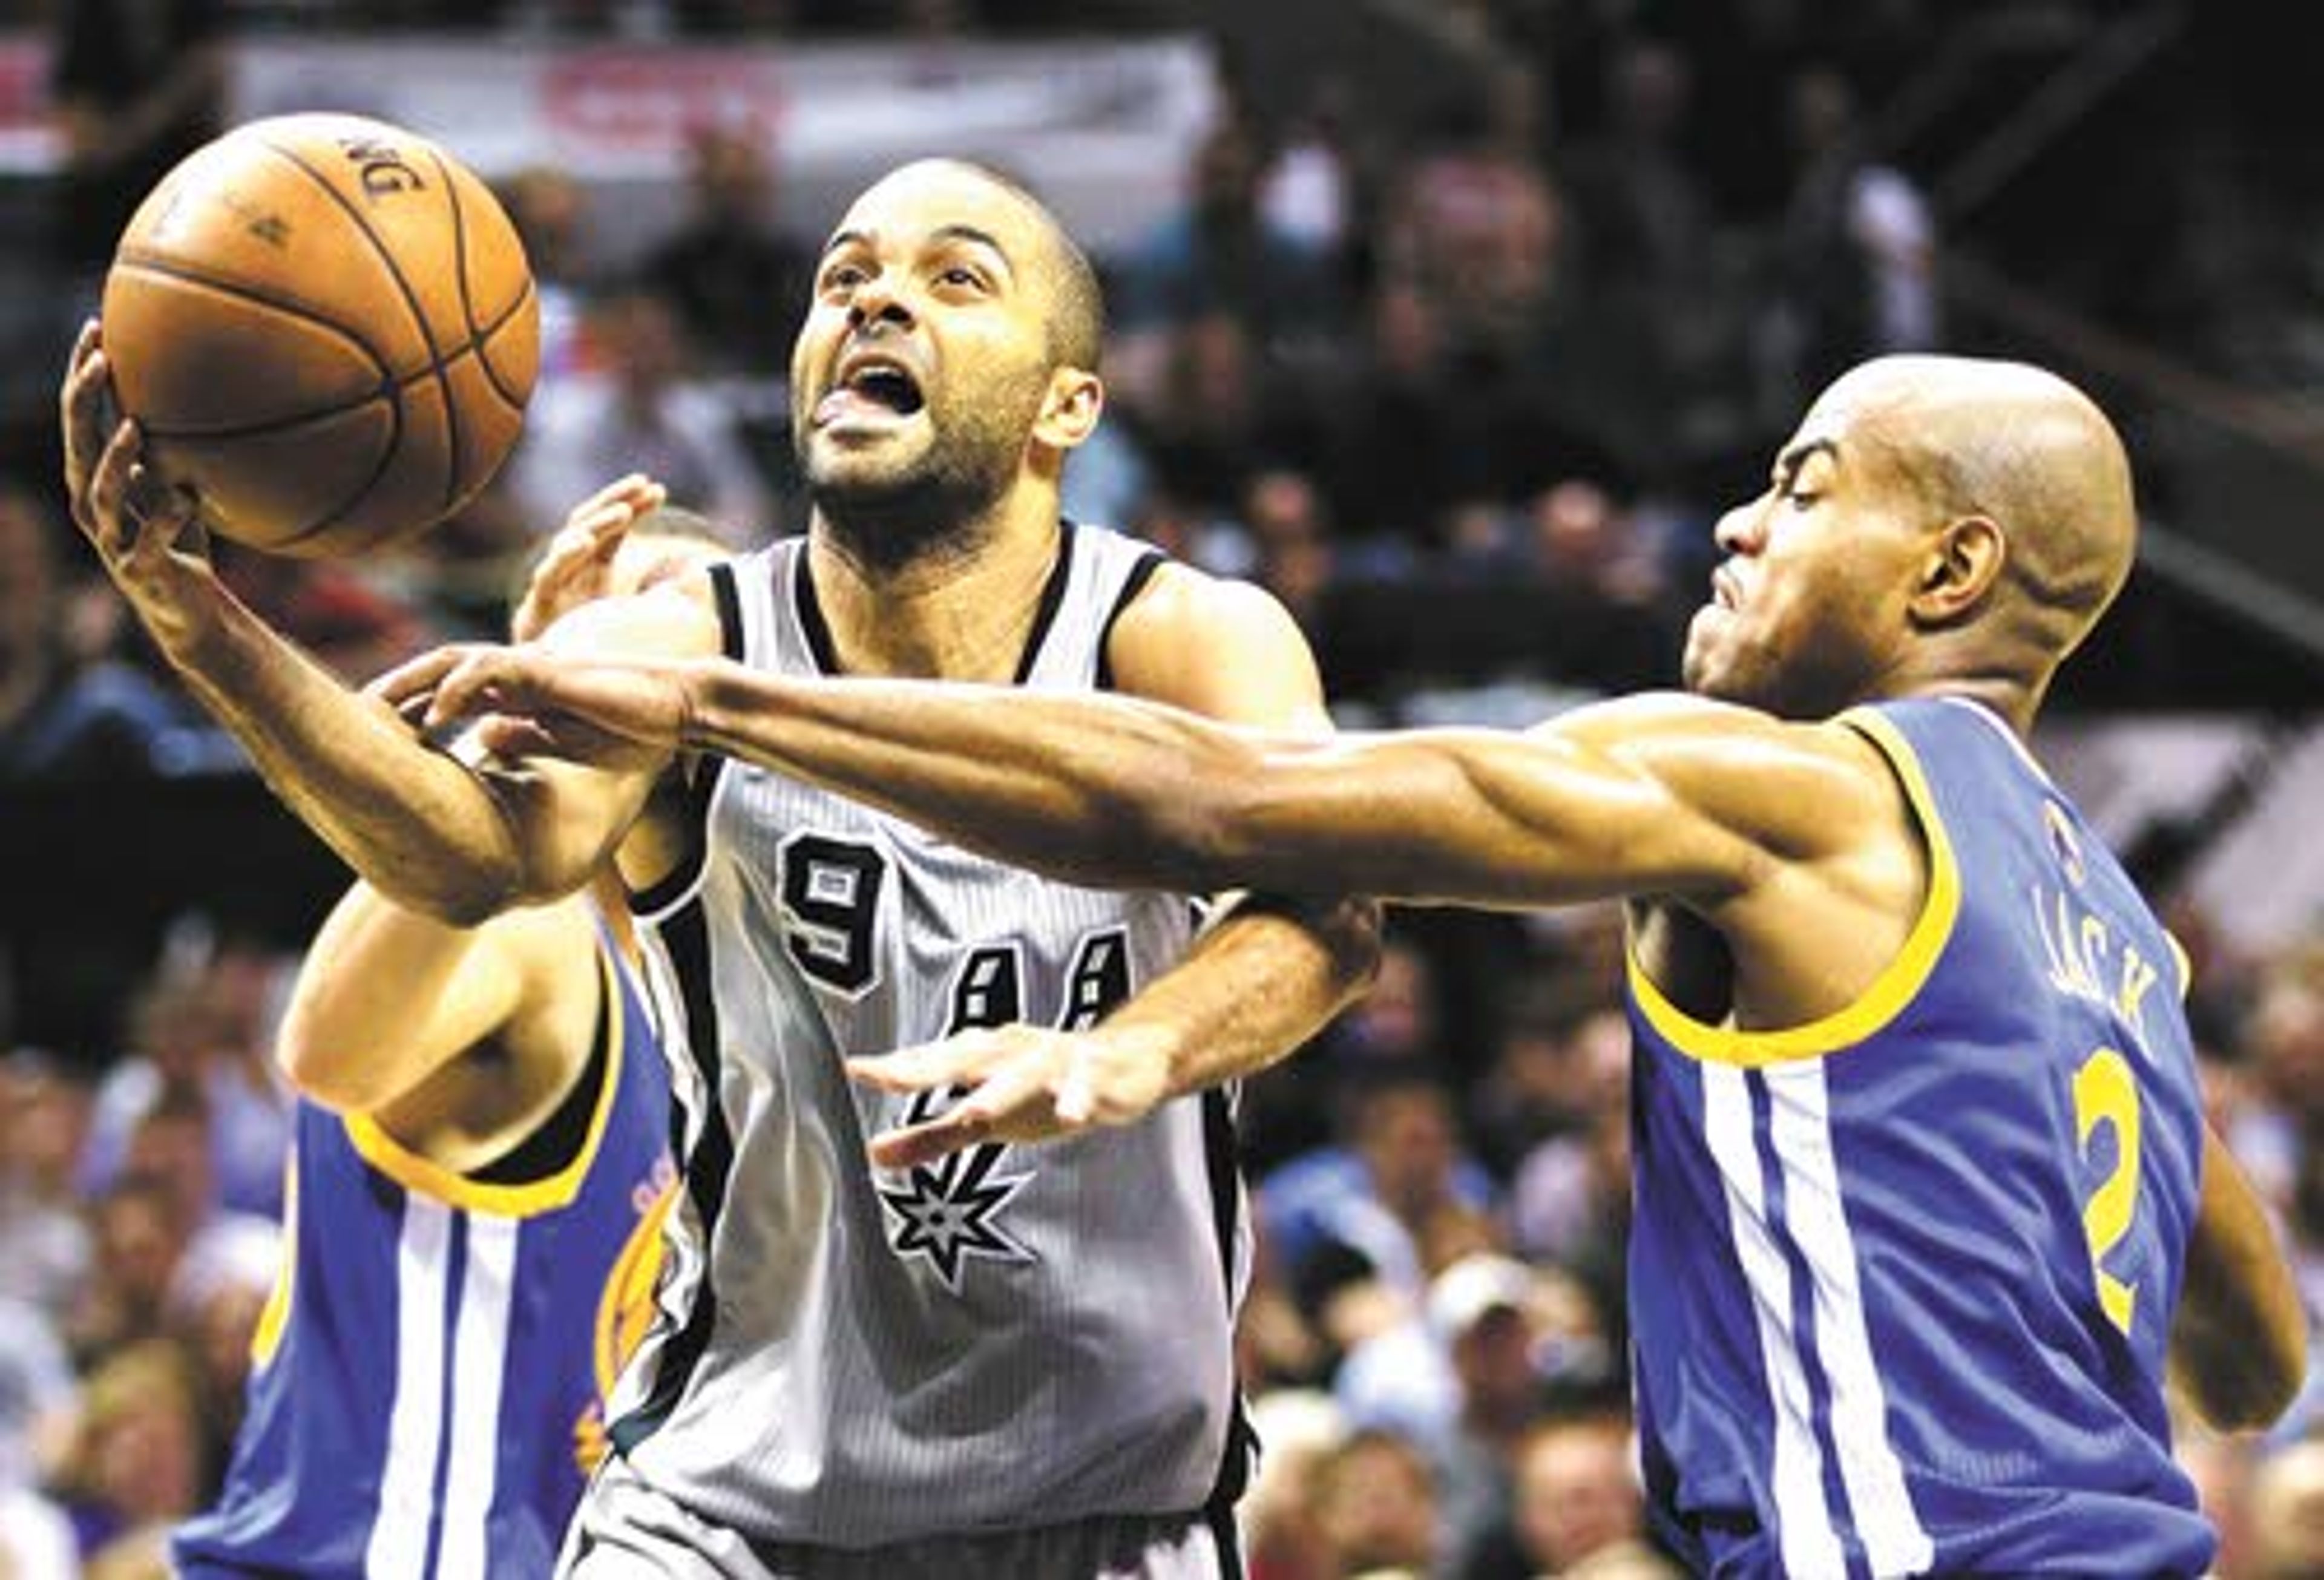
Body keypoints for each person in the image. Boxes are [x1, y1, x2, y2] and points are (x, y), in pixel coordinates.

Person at [398, 353, 2308, 1574]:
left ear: (1952, 572)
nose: (1736, 516)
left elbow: (1227, 803)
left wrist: (724, 694)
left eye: (1808, 485)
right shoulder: (2119, 942)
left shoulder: (1800, 792)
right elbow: (2251, 1350)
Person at [65, 157, 1377, 1579]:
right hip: (724, 1516)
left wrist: (1132, 1053)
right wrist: (200, 625)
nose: (877, 297)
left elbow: (1331, 910)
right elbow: (481, 856)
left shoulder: (1183, 638)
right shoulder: (680, 642)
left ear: (1067, 405)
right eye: (844, 278)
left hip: (1110, 1512)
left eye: (955, 277)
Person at [171, 485, 706, 1579]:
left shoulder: (726, 987)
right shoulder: (534, 934)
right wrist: (500, 756)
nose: (637, 654)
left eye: (682, 616)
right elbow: (323, 1053)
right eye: (612, 620)